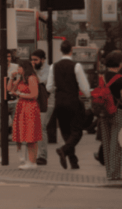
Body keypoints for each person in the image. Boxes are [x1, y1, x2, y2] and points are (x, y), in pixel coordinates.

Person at [46, 40, 91, 170]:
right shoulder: (76, 66)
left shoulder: (53, 66)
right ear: (71, 50)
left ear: (61, 50)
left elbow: (49, 87)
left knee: (66, 132)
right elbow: (84, 87)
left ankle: (73, 161)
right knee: (77, 131)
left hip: (59, 102)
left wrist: (59, 88)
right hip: (73, 102)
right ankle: (63, 150)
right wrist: (89, 96)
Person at [7, 60, 43, 170]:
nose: (18, 70)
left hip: (30, 107)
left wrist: (20, 94)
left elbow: (34, 95)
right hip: (23, 107)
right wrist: (12, 78)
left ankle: (32, 161)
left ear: (24, 68)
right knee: (27, 135)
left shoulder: (31, 78)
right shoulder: (21, 79)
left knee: (31, 135)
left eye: (19, 68)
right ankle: (31, 161)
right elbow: (9, 89)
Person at [97, 50, 122, 179]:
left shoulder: (102, 76)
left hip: (103, 112)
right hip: (117, 112)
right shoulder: (120, 79)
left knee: (106, 143)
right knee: (116, 143)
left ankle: (109, 173)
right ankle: (115, 173)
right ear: (119, 63)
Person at [0, 50, 19, 158]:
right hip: (0, 102)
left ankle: (18, 152)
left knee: (17, 127)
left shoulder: (16, 68)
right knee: (2, 128)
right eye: (5, 56)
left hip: (15, 101)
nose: (7, 59)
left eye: (9, 56)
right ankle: (3, 153)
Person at [31, 49, 52, 165]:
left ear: (43, 60)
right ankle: (35, 154)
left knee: (41, 127)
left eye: (36, 60)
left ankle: (42, 156)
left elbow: (42, 82)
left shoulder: (48, 70)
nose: (33, 62)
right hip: (34, 102)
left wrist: (32, 72)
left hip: (46, 102)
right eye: (32, 60)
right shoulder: (33, 70)